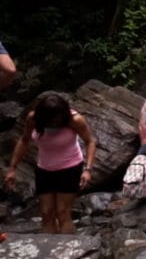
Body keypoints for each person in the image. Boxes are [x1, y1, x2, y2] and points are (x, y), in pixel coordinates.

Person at [4, 94, 96, 233]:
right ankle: (49, 244)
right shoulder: (33, 118)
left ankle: (67, 245)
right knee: (46, 213)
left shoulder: (75, 120)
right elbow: (24, 140)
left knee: (62, 212)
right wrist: (12, 169)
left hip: (70, 168)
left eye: (57, 119)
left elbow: (90, 141)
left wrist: (87, 169)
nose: (54, 123)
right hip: (44, 169)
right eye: (51, 120)